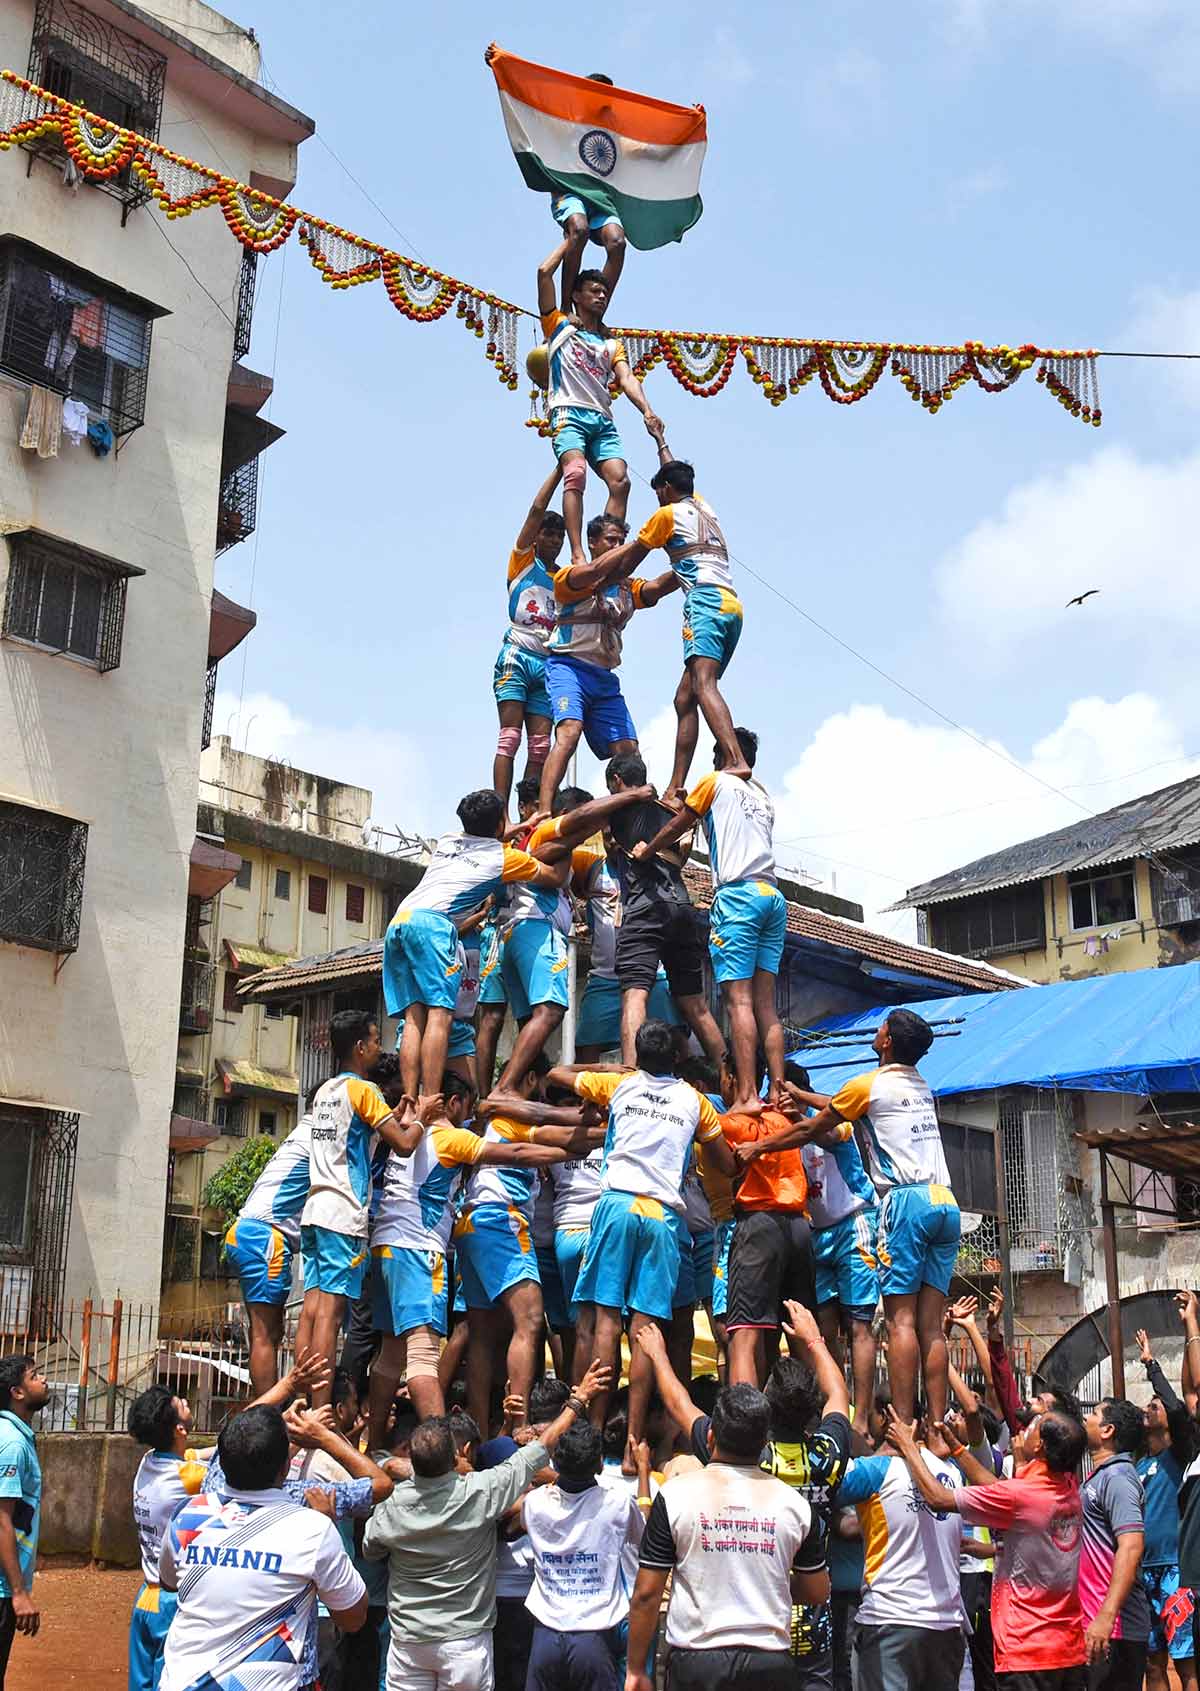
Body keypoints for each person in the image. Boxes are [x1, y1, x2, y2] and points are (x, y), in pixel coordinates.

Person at [740, 1008, 958, 1424]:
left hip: (905, 1201)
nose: (875, 1033)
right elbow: (841, 1107)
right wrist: (802, 1097)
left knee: (899, 1323)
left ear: (887, 1040)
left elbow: (813, 1127)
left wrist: (758, 1148)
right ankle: (935, 1425)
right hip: (943, 1200)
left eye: (880, 1028)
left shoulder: (869, 1085)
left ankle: (904, 1428)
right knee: (932, 1327)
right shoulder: (919, 1086)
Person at [639, 1300, 853, 1686]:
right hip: (810, 1635)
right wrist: (814, 1340)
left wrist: (657, 1355)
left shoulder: (748, 1451)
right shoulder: (827, 1458)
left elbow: (678, 1404)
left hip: (749, 1629)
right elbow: (838, 1394)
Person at [363, 1360, 611, 1691]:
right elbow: (539, 1450)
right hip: (464, 1643)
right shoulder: (481, 1492)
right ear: (457, 1458)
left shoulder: (392, 1508)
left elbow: (371, 1547)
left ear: (412, 1462)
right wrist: (577, 1403)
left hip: (410, 1643)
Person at [549, 1019, 737, 1452]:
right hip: (663, 1215)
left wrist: (619, 1072)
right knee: (646, 1328)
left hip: (616, 1205)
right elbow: (725, 1164)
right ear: (676, 1058)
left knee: (604, 1321)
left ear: (635, 1055)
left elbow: (557, 1075)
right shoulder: (694, 1101)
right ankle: (636, 1441)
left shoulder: (621, 1086)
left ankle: (592, 1431)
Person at [626, 1382, 829, 1691]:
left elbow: (646, 1595)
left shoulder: (675, 1496)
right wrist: (763, 1580)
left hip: (696, 1664)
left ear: (710, 1437)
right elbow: (816, 1591)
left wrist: (636, 1669)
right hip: (770, 1664)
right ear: (765, 1444)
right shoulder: (797, 1506)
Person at [158, 1405, 369, 1691]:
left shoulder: (187, 1515)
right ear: (285, 1466)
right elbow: (353, 1617)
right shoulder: (313, 1528)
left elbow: (169, 1583)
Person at [634, 728, 786, 1113]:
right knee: (766, 1005)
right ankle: (779, 1093)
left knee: (739, 1002)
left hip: (739, 898)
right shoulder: (763, 797)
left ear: (721, 755)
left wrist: (647, 849)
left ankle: (748, 1095)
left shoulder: (714, 781)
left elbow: (678, 824)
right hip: (772, 896)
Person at [887, 1404, 1088, 1691]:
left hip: (1027, 1650)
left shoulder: (1021, 1496)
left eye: (1033, 1425)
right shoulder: (1068, 1483)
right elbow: (996, 1489)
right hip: (1068, 1649)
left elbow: (938, 1498)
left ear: (1040, 1445)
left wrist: (909, 1447)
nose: (1024, 1428)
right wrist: (958, 1448)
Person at [385, 788, 565, 1097]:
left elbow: (488, 833)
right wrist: (564, 842)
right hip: (434, 927)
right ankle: (431, 1099)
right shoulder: (504, 859)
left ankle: (411, 1099)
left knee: (414, 1017)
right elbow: (554, 878)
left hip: (401, 921)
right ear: (498, 826)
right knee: (440, 1015)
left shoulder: (448, 841)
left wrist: (522, 826)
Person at [590, 452, 748, 796]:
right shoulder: (704, 507)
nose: (656, 496)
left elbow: (630, 559)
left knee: (704, 685)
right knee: (684, 698)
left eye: (657, 489)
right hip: (731, 606)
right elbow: (678, 475)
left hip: (704, 603)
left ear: (665, 489)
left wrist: (599, 577)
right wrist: (660, 441)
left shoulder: (666, 515)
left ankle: (735, 758)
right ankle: (676, 787)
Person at [298, 1010, 428, 1408]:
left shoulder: (325, 1092)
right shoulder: (365, 1090)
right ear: (359, 1047)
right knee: (333, 1314)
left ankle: (303, 1396)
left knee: (313, 1307)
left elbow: (370, 1132)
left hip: (315, 1208)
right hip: (344, 1212)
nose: (378, 1047)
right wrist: (422, 1119)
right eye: (374, 1040)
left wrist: (401, 1115)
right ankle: (322, 1406)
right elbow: (404, 1144)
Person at [456, 1075, 600, 1436]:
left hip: (472, 1224)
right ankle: (519, 1427)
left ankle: (478, 1431)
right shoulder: (513, 1120)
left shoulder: (492, 1124)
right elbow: (560, 1139)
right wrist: (612, 1131)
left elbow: (561, 1137)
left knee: (482, 1334)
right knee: (531, 1321)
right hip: (500, 1220)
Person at [495, 782, 657, 1093]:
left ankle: (522, 1089)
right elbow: (554, 872)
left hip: (518, 931)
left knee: (530, 1021)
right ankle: (506, 1087)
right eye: (591, 821)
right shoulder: (551, 834)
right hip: (537, 929)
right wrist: (625, 800)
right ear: (569, 816)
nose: (599, 831)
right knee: (551, 1012)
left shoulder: (544, 842)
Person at [536, 237, 662, 571]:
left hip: (601, 419)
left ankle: (605, 553)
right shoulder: (558, 326)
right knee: (575, 473)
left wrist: (646, 410)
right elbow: (543, 273)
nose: (601, 295)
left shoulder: (610, 342)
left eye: (604, 292)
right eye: (593, 290)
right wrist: (570, 240)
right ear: (576, 295)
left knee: (620, 481)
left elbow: (627, 378)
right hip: (568, 413)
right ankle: (577, 552)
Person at [538, 516, 679, 812]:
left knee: (629, 751)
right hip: (569, 667)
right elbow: (595, 570)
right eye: (610, 540)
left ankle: (630, 815)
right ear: (592, 543)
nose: (617, 546)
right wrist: (641, 544)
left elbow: (653, 589)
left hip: (604, 677)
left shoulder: (625, 587)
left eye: (620, 541)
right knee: (569, 732)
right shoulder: (572, 577)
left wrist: (686, 561)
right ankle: (544, 811)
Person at [604, 751, 729, 1072]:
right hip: (681, 906)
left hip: (645, 907)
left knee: (635, 996)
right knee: (696, 1005)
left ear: (617, 781)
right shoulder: (669, 811)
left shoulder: (617, 808)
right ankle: (732, 1078)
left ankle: (632, 1077)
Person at [836, 1411, 976, 1691]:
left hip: (890, 1622)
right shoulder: (952, 1473)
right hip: (945, 1628)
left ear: (888, 1425)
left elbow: (825, 1485)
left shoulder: (874, 1470)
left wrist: (880, 1451)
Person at [517, 1421, 647, 1690]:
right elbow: (642, 1534)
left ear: (556, 1461)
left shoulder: (535, 1503)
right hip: (593, 1640)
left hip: (545, 1637)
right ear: (599, 1465)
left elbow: (525, 1520)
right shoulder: (617, 1503)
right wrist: (644, 1470)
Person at [787, 1070, 880, 1437]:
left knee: (859, 1323)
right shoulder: (787, 1135)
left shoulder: (831, 1119)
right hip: (816, 1233)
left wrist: (799, 1108)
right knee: (823, 1330)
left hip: (852, 1221)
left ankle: (862, 1419)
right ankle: (834, 1409)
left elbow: (832, 1129)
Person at [722, 1084, 817, 1389]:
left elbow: (722, 1164)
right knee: (800, 1330)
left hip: (759, 1223)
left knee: (743, 1333)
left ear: (733, 1078)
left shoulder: (731, 1122)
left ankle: (743, 1425)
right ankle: (810, 1414)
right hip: (799, 1226)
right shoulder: (786, 1118)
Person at [223, 1106, 312, 1394]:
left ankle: (268, 1408)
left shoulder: (299, 1138)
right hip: (264, 1238)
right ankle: (268, 1415)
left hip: (246, 1233)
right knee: (265, 1334)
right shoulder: (318, 1138)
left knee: (265, 1332)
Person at [126, 1385, 209, 1691]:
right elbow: (235, 1448)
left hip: (146, 1598)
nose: (186, 1400)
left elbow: (210, 1451)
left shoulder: (148, 1461)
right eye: (182, 1403)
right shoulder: (190, 1477)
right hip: (173, 1601)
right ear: (179, 1429)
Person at [493, 464, 565, 812]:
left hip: (547, 664)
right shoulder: (522, 561)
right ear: (536, 537)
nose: (552, 540)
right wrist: (560, 469)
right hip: (518, 656)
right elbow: (536, 510)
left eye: (559, 536)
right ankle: (501, 814)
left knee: (539, 747)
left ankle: (531, 811)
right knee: (510, 738)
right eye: (547, 534)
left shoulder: (567, 578)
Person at [1134, 1325, 1197, 1691]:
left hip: (1175, 1571)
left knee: (1185, 1661)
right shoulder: (1140, 1465)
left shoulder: (1180, 1456)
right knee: (1152, 1662)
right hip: (1145, 1574)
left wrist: (1151, 1365)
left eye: (1152, 1405)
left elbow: (1175, 1405)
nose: (1149, 1409)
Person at [1079, 1398, 1151, 1691]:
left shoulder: (1118, 1478)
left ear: (1107, 1430)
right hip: (1096, 1625)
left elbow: (1132, 1546)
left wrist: (1106, 1618)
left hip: (1115, 1631)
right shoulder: (1099, 1477)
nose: (1086, 1419)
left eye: (1093, 1414)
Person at [0, 1355, 47, 1690]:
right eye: (35, 1375)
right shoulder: (12, 1444)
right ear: (17, 1391)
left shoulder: (15, 1435)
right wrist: (18, 1592)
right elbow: (1, 1519)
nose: (43, 1379)